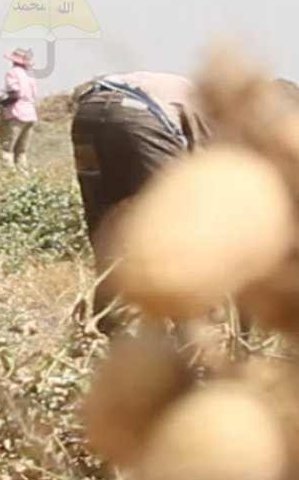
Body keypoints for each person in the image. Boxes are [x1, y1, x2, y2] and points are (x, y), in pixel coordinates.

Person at [71, 72, 214, 329]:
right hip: (139, 116)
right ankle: (191, 329)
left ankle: (105, 323)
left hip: (87, 114)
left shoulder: (175, 86)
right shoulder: (205, 105)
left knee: (105, 223)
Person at [1, 48, 40, 167]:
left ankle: (8, 175)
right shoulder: (31, 75)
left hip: (17, 114)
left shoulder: (12, 73)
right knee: (21, 151)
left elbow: (15, 94)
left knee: (7, 150)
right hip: (31, 114)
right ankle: (22, 177)